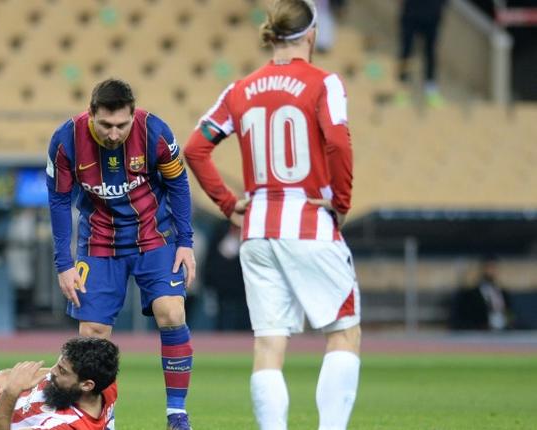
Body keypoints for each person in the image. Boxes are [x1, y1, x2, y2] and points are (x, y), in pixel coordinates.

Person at [183, 1, 361, 429]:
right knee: (343, 331)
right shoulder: (325, 83)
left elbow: (195, 148)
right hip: (307, 219)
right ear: (311, 34)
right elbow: (337, 141)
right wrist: (341, 200)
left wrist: (229, 203)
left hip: (258, 226)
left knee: (268, 344)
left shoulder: (240, 89)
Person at [46, 78, 196, 430]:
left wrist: (186, 241)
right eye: (106, 125)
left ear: (133, 115)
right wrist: (63, 263)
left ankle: (176, 414)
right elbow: (58, 199)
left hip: (154, 236)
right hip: (98, 242)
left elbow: (178, 183)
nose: (114, 134)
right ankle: (102, 419)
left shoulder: (155, 132)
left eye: (122, 125)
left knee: (171, 311)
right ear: (91, 113)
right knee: (92, 334)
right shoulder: (65, 140)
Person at [397, 0, 448, 107]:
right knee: (406, 52)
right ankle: (402, 86)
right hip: (411, 13)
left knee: (430, 53)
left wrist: (439, 7)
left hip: (432, 15)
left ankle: (430, 88)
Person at [449, 256, 512, 331]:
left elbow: (510, 314)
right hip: (480, 334)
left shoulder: (503, 293)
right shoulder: (470, 295)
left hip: (502, 334)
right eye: (489, 267)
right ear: (482, 269)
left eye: (494, 267)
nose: (491, 270)